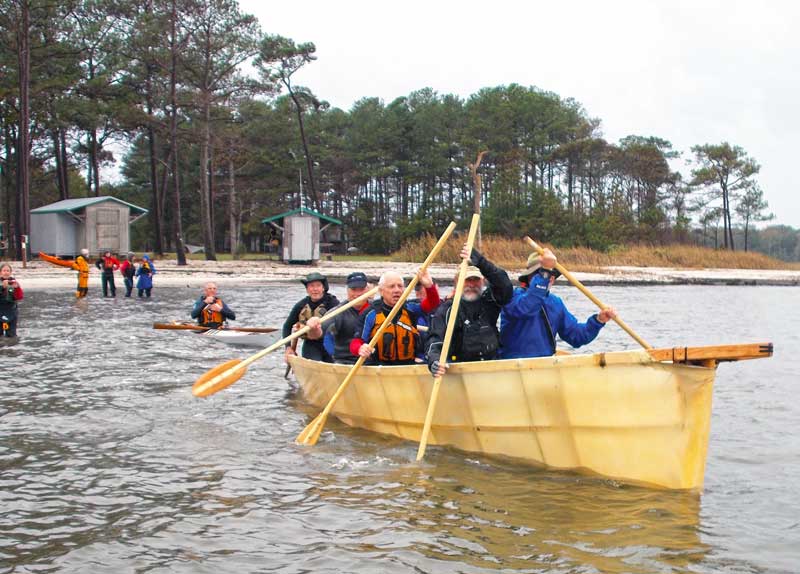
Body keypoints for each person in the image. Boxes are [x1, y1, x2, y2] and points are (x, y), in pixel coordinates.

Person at [499, 249, 617, 359]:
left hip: (544, 368)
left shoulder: (555, 303)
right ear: (529, 277)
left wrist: (598, 321)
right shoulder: (513, 297)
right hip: (512, 367)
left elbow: (576, 337)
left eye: (551, 275)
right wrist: (544, 274)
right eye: (541, 274)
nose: (548, 278)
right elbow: (528, 307)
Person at [427, 244, 513, 376]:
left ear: (483, 281)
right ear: (457, 282)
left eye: (476, 280)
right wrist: (434, 361)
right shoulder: (447, 310)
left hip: (491, 369)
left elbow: (505, 286)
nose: (472, 285)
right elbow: (435, 341)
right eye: (467, 280)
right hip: (460, 373)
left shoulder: (490, 301)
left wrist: (482, 263)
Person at [353, 269, 440, 365]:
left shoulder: (411, 307)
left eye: (400, 286)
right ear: (381, 291)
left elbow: (433, 303)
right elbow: (355, 342)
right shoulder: (370, 314)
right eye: (391, 286)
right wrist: (360, 348)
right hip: (379, 365)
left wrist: (429, 286)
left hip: (408, 365)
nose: (397, 290)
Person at [283, 272, 340, 363]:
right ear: (307, 289)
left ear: (323, 288)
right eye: (311, 286)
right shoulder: (301, 305)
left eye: (318, 285)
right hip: (311, 344)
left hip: (331, 342)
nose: (315, 289)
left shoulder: (333, 303)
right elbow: (287, 326)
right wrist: (288, 347)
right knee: (313, 363)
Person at [321, 271, 372, 364]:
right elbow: (322, 333)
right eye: (353, 289)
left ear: (368, 290)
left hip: (371, 361)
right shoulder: (338, 312)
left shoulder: (376, 309)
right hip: (345, 361)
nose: (357, 294)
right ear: (347, 290)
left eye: (361, 289)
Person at [0, 263, 23, 339]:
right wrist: (3, 288)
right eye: (4, 270)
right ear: (0, 272)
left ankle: (11, 348)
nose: (6, 272)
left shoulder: (13, 282)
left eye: (8, 271)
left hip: (11, 311)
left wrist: (17, 288)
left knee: (12, 336)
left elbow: (19, 297)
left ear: (10, 272)